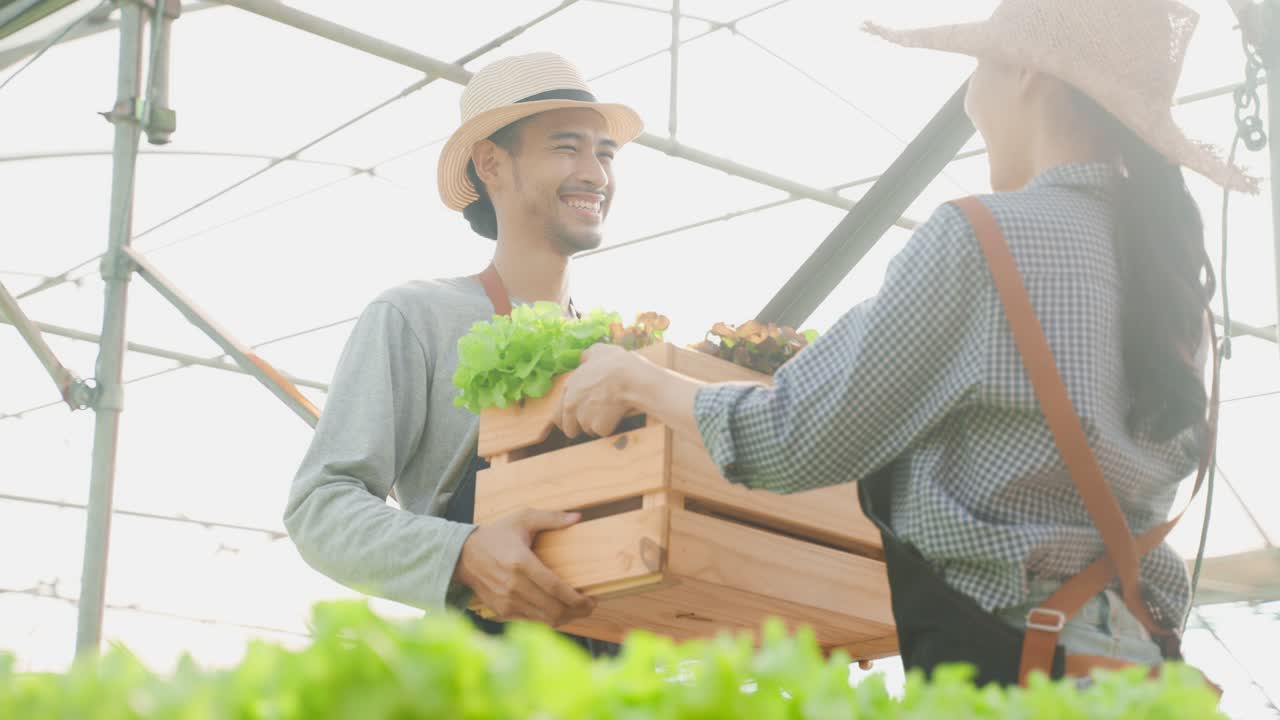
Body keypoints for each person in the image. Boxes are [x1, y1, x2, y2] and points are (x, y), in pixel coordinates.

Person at [551, 0, 1248, 684]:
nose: (973, 98)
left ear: (1030, 73)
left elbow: (793, 434)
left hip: (1016, 676)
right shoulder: (1175, 294)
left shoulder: (982, 239)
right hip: (1144, 672)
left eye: (978, 65)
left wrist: (637, 379)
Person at [284, 52, 644, 654]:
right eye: (566, 148)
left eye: (605, 154)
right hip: (480, 674)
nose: (596, 173)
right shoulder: (417, 316)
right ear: (491, 163)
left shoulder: (620, 355)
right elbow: (321, 506)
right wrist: (465, 554)